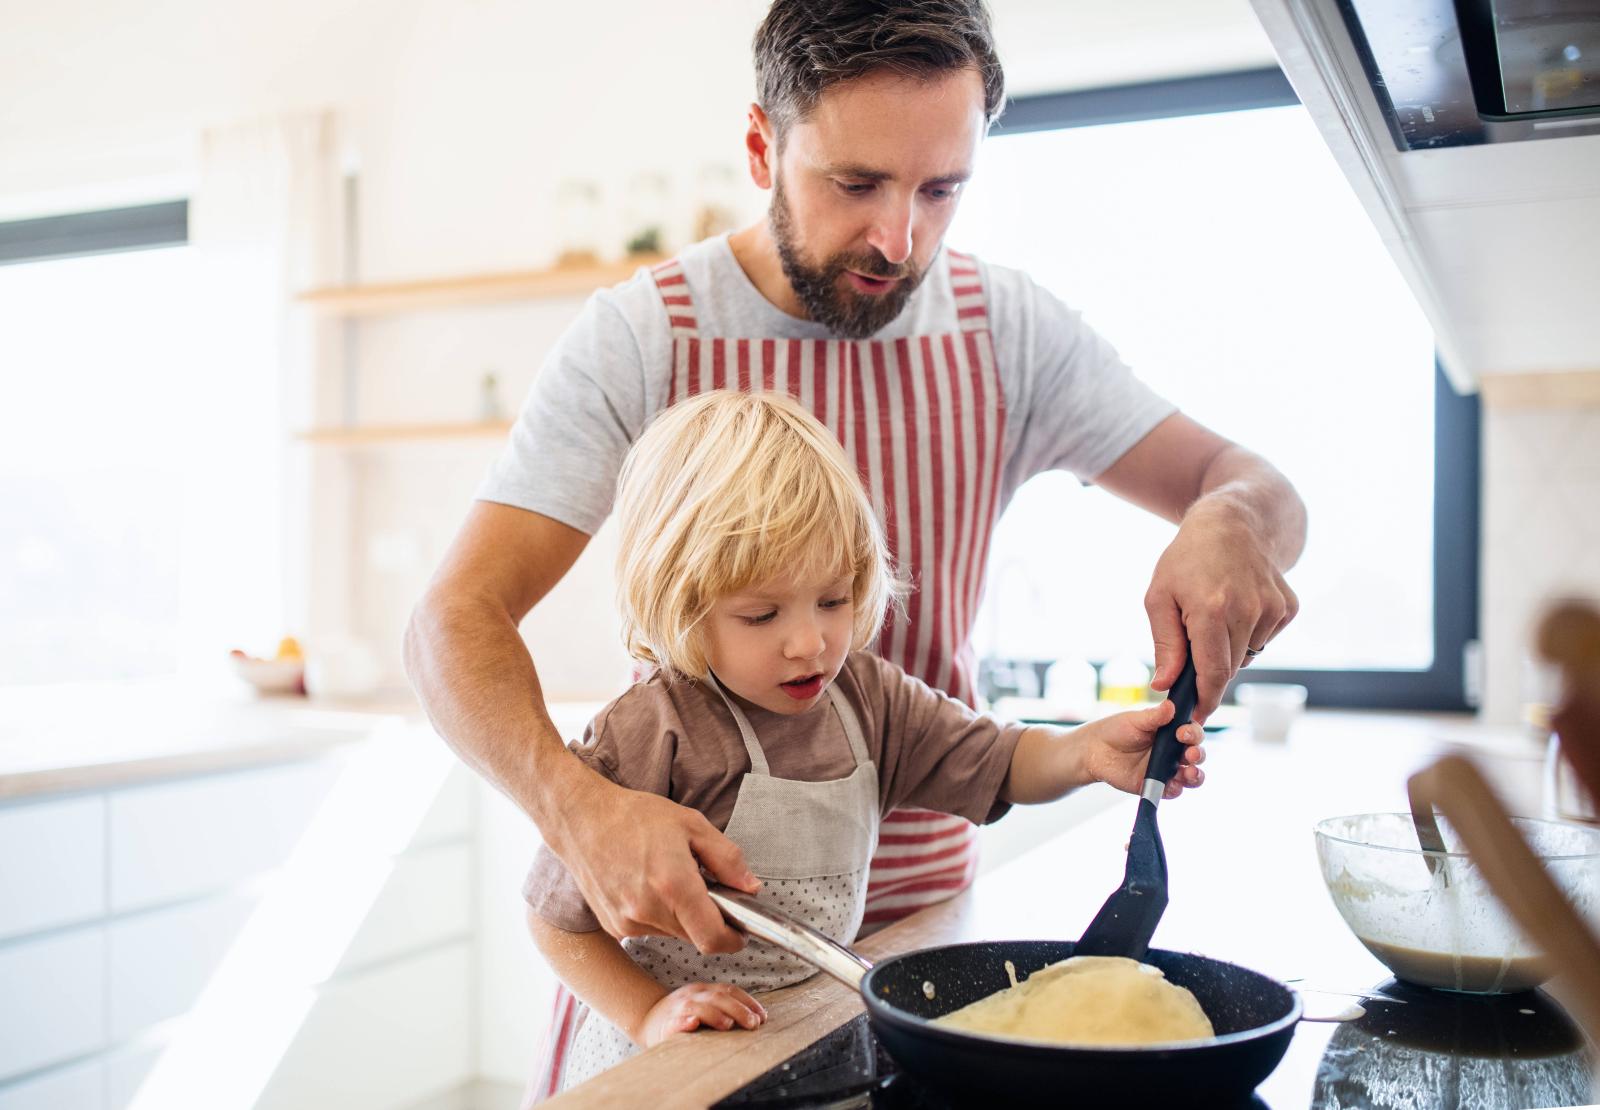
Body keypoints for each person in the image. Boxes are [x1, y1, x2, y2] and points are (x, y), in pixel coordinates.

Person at [405, 0, 1301, 1019]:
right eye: (855, 182)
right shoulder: (643, 336)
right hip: (687, 968)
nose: (898, 238)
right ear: (761, 146)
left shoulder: (1005, 330)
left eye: (941, 188)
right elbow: (450, 622)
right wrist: (577, 810)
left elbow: (1251, 480)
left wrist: (1230, 519)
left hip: (927, 947)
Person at [524, 390, 1206, 1092]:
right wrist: (649, 1014)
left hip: (804, 1038)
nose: (810, 642)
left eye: (833, 599)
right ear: (681, 604)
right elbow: (557, 923)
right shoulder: (652, 729)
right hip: (665, 1064)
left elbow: (999, 762)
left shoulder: (868, 700)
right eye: (761, 614)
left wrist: (1087, 752)